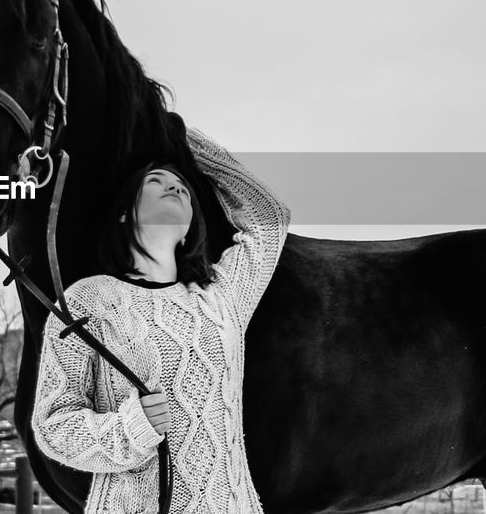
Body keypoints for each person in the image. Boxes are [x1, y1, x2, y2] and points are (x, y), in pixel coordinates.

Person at [31, 126, 291, 513]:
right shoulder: (90, 299)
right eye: (156, 182)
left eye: (183, 188)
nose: (176, 187)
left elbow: (269, 218)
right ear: (123, 213)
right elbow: (52, 425)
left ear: (189, 232)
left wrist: (179, 134)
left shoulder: (222, 298)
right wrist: (132, 427)